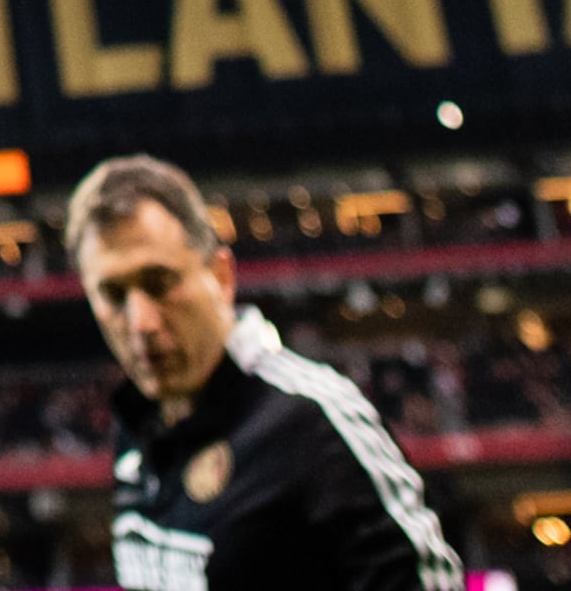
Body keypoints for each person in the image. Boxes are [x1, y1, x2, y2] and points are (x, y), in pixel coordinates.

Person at [70, 154, 461, 591]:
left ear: (220, 276)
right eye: (112, 294)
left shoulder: (314, 418)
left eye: (159, 283)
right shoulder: (136, 426)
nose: (141, 321)